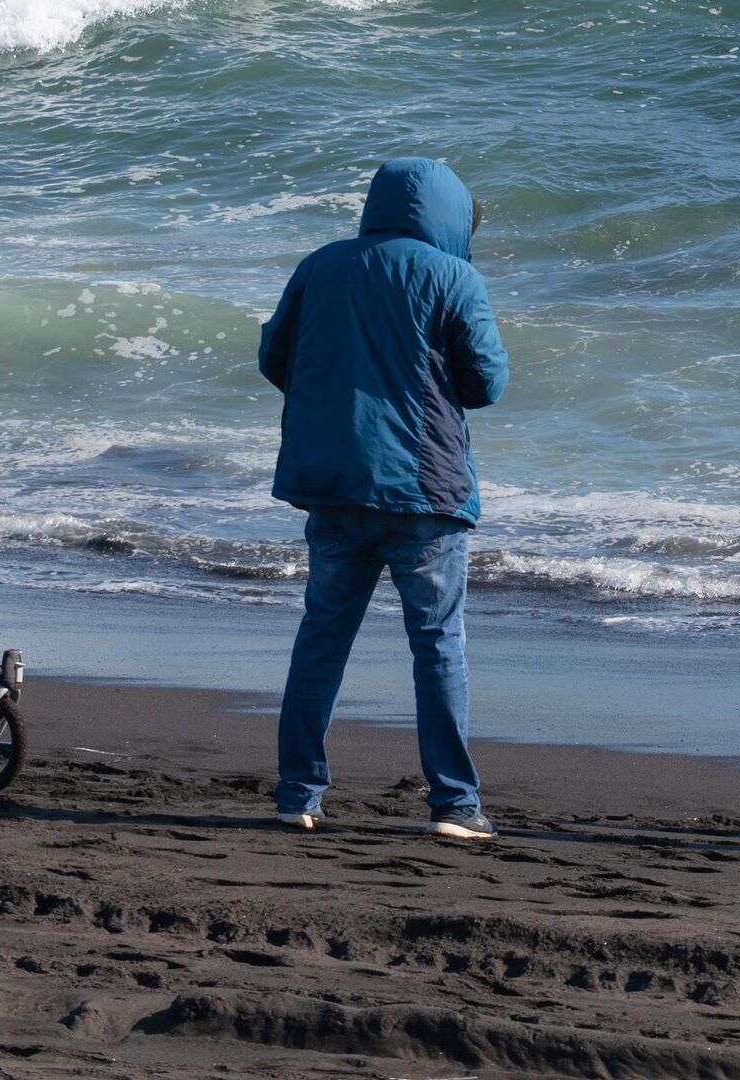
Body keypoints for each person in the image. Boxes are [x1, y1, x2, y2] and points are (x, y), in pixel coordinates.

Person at [259, 157, 509, 839]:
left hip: (337, 486)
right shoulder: (455, 275)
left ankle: (298, 794)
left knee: (322, 639)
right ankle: (455, 805)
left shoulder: (321, 265)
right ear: (451, 216)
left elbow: (274, 358)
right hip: (425, 496)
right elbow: (486, 382)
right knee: (436, 646)